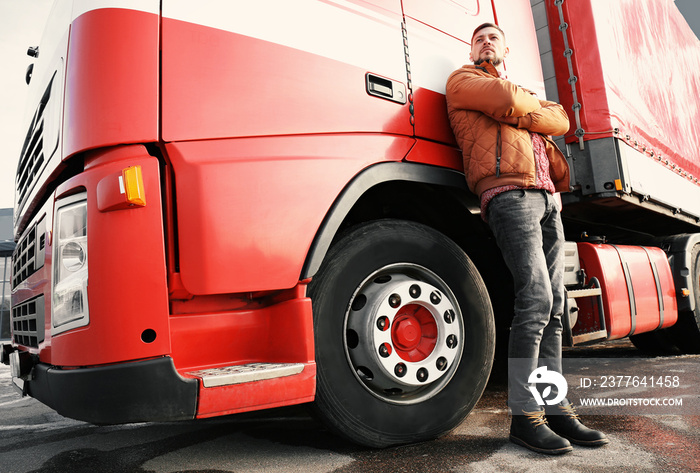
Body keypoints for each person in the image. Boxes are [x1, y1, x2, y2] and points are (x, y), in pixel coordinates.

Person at [446, 22, 609, 455]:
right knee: (535, 298)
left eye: (493, 38)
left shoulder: (519, 91)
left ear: (505, 48)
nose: (485, 43)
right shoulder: (463, 81)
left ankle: (554, 406)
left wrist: (523, 108)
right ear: (471, 48)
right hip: (508, 195)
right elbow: (507, 101)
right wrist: (525, 108)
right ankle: (525, 416)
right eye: (478, 38)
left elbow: (561, 118)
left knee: (555, 305)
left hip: (548, 200)